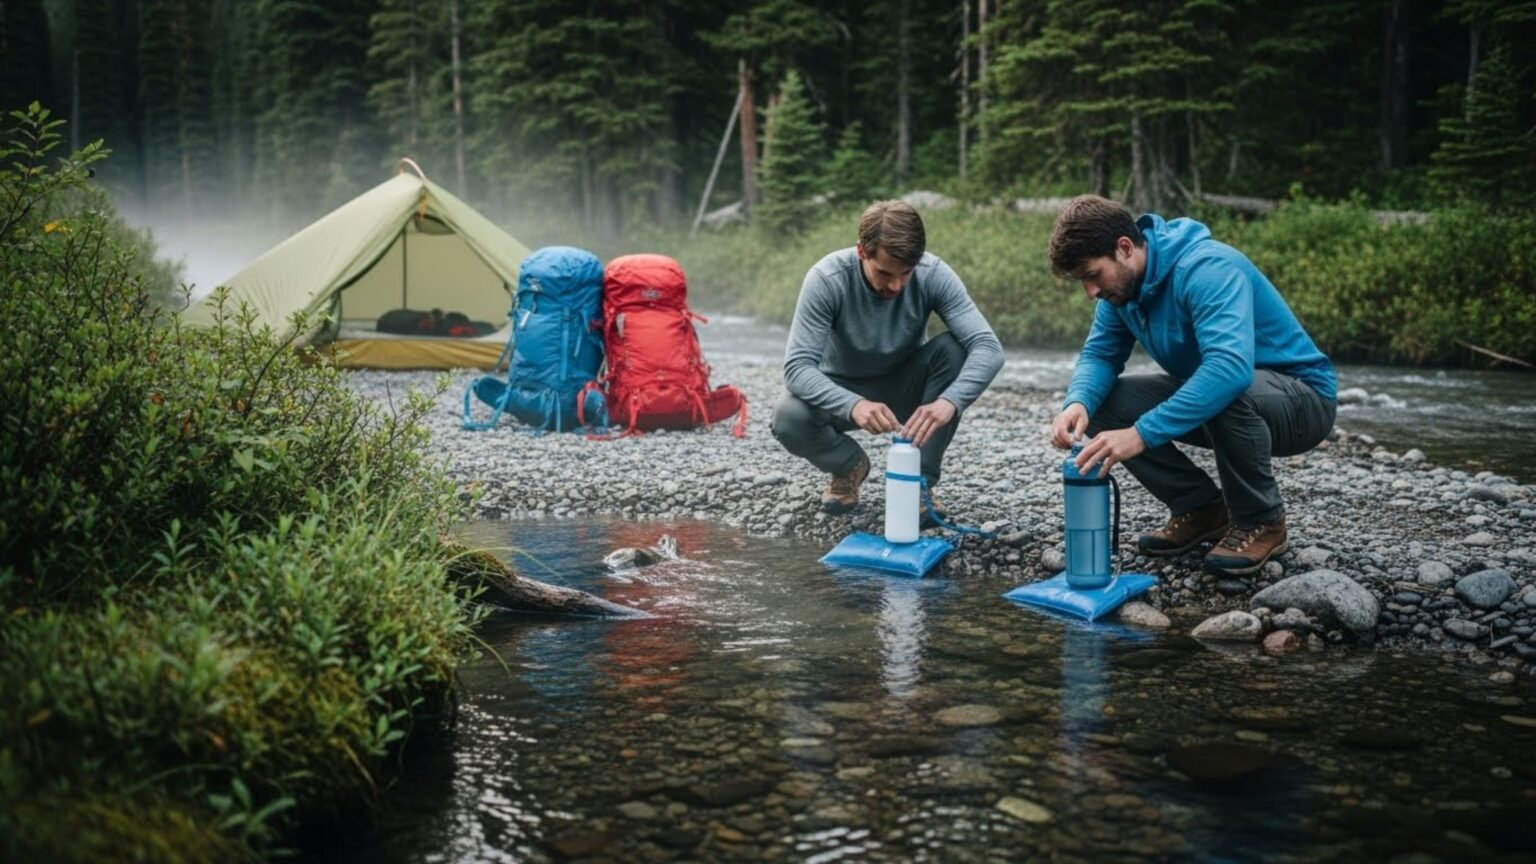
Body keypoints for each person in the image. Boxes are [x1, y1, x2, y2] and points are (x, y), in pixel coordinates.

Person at [1047, 195, 1336, 576]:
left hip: (1302, 402)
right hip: (1233, 400)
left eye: (1092, 275)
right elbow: (1101, 355)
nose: (1090, 291)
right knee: (1103, 405)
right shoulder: (1122, 294)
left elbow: (1230, 370)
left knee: (1224, 388)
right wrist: (1078, 402)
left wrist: (1141, 434)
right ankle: (1201, 509)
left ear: (1124, 248)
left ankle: (1261, 521)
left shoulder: (1207, 268)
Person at [773, 200, 1004, 522]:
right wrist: (853, 404)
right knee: (788, 417)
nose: (895, 285)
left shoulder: (933, 273)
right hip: (841, 388)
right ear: (861, 251)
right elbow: (797, 368)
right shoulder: (827, 279)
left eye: (905, 273)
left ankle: (920, 484)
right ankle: (849, 466)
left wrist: (950, 401)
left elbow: (988, 347)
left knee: (956, 349)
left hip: (905, 384)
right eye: (884, 273)